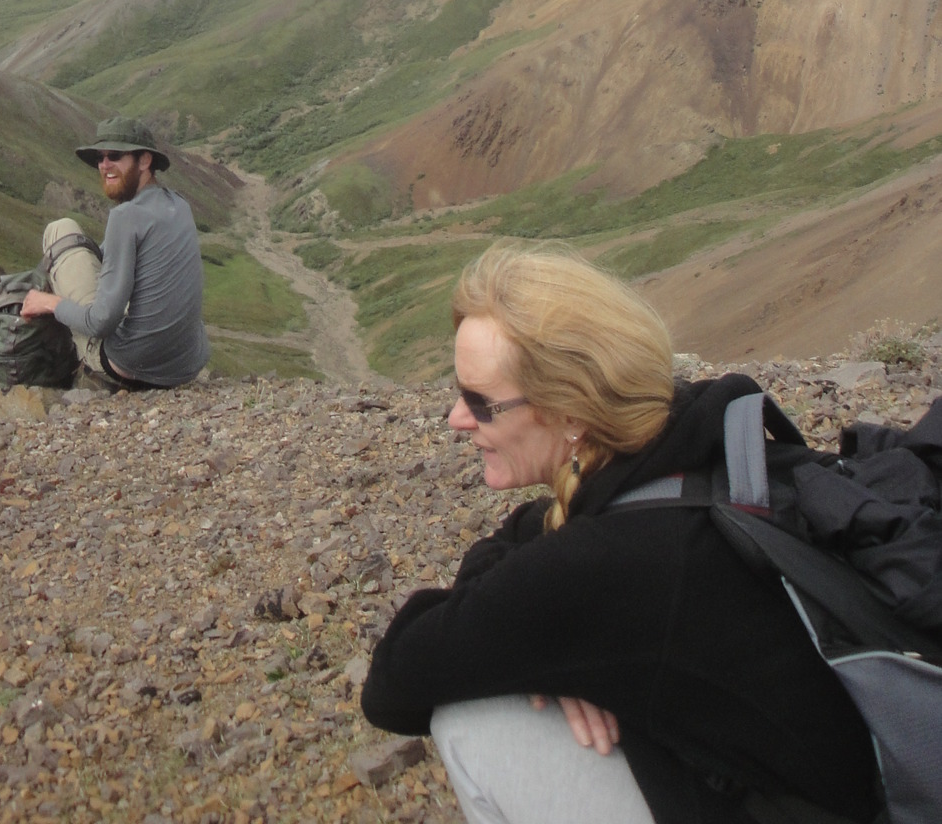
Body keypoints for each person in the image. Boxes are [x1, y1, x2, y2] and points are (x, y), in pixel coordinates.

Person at [361, 242, 881, 824]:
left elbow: (393, 683)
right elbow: (526, 529)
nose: (458, 419)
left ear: (572, 412)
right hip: (829, 780)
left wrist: (534, 649)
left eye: (481, 403)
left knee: (470, 722)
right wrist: (544, 649)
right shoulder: (693, 432)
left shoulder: (602, 566)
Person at [20, 116, 209, 390]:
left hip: (134, 366)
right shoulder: (179, 205)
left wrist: (48, 303)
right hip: (185, 364)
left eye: (115, 156)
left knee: (60, 230)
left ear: (144, 161)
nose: (104, 165)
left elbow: (100, 323)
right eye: (100, 157)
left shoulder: (125, 216)